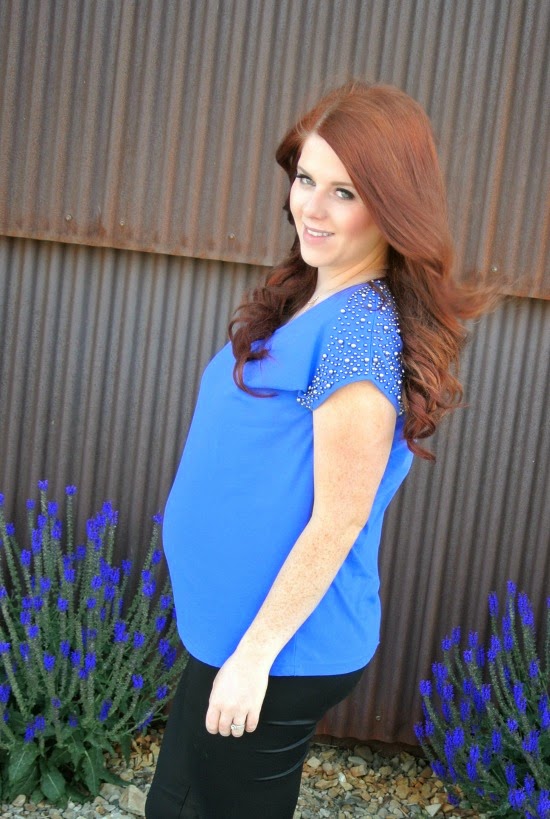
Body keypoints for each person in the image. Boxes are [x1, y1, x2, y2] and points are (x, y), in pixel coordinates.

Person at [145, 80, 487, 819]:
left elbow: (338, 521)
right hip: (235, 632)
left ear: (392, 208)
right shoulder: (316, 295)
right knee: (172, 806)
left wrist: (255, 657)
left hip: (277, 648)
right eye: (306, 179)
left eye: (345, 192)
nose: (312, 208)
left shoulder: (358, 334)